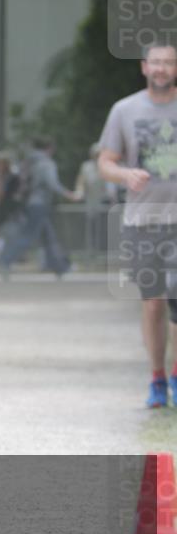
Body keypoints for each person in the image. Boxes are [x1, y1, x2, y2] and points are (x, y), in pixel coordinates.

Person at [97, 41, 177, 408]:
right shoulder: (124, 110)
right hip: (143, 222)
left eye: (169, 63)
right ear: (144, 67)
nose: (162, 68)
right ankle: (157, 377)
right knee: (153, 304)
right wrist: (125, 174)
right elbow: (105, 163)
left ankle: (176, 376)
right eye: (155, 62)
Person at [0, 137, 78, 278]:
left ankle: (60, 267)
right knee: (28, 236)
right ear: (50, 148)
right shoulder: (47, 163)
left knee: (48, 237)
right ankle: (6, 260)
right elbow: (52, 183)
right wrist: (69, 194)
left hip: (32, 203)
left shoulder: (31, 162)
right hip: (40, 205)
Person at [73, 142, 117, 256]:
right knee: (91, 228)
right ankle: (92, 253)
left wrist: (112, 197)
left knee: (105, 229)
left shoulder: (108, 166)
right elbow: (81, 183)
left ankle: (105, 253)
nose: (97, 156)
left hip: (105, 204)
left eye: (100, 154)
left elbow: (111, 185)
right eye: (95, 154)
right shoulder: (86, 166)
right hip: (91, 203)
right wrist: (79, 193)